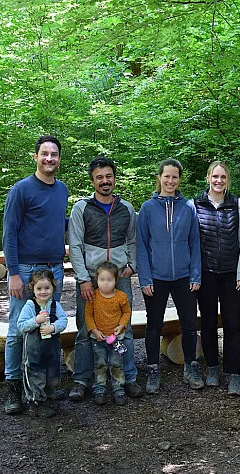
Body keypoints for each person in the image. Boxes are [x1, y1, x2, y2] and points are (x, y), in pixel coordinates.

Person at [68, 156, 144, 402]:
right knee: (86, 328)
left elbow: (132, 240)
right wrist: (82, 279)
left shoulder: (126, 208)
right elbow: (75, 246)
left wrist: (132, 265)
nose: (104, 181)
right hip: (90, 278)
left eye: (108, 176)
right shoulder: (82, 209)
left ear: (114, 178)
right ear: (92, 181)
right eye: (99, 177)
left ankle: (127, 377)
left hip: (120, 277)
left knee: (125, 330)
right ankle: (82, 379)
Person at [2, 135, 68, 415]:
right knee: (19, 329)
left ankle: (43, 386)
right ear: (36, 157)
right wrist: (14, 273)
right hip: (26, 270)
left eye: (54, 154)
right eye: (44, 154)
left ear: (59, 159)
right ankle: (14, 386)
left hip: (54, 269)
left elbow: (56, 223)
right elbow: (9, 233)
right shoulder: (21, 189)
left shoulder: (62, 190)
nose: (49, 158)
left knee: (47, 327)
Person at [137, 158, 203, 393]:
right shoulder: (147, 208)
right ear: (159, 178)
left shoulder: (188, 207)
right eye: (167, 176)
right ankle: (153, 370)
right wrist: (145, 278)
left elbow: (195, 243)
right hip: (156, 277)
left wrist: (196, 275)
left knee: (188, 323)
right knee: (154, 325)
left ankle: (190, 366)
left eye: (175, 177)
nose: (171, 181)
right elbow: (142, 246)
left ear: (179, 179)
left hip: (184, 276)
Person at [193, 161, 240, 396]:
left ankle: (234, 374)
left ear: (228, 179)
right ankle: (213, 369)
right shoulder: (195, 204)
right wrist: (195, 273)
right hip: (205, 274)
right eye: (215, 176)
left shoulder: (236, 204)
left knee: (232, 325)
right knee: (207, 324)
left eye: (223, 177)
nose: (219, 180)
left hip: (230, 274)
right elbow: (191, 242)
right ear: (208, 178)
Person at [17, 269, 68, 417]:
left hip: (51, 348)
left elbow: (63, 320)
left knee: (52, 371)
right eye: (39, 288)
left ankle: (50, 395)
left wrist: (53, 327)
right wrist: (36, 321)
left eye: (47, 288)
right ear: (32, 288)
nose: (43, 292)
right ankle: (36, 401)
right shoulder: (30, 306)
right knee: (35, 373)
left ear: (53, 287)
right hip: (33, 350)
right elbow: (21, 325)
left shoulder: (55, 305)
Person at [85, 262, 131, 406]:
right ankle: (99, 389)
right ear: (96, 280)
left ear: (116, 280)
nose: (105, 283)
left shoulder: (121, 297)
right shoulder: (93, 297)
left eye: (109, 280)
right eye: (102, 280)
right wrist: (94, 330)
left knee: (117, 364)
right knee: (100, 364)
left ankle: (119, 389)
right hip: (98, 339)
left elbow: (127, 312)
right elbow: (88, 316)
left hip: (117, 338)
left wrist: (121, 326)